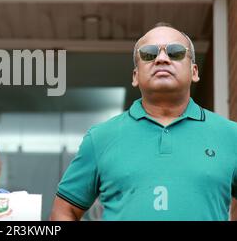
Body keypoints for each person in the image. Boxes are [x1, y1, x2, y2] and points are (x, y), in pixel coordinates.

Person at [50, 23, 237, 220]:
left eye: (175, 52)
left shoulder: (231, 136)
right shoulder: (100, 138)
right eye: (149, 54)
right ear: (135, 76)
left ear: (194, 72)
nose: (162, 59)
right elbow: (63, 212)